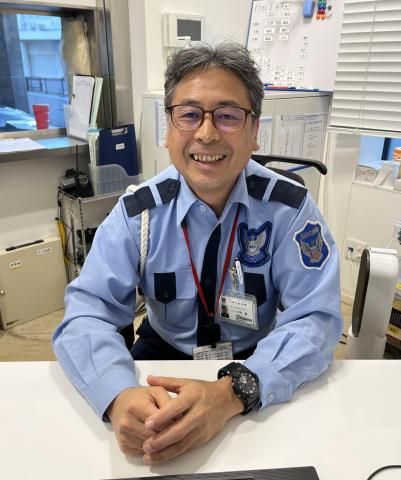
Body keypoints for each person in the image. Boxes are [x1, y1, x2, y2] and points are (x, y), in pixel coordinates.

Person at [53, 41, 343, 465]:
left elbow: (317, 318)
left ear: (254, 130)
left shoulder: (290, 210)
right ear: (169, 128)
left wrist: (233, 391)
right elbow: (87, 313)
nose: (206, 134)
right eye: (189, 114)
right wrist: (117, 395)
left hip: (254, 361)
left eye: (227, 116)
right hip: (162, 356)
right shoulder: (138, 214)